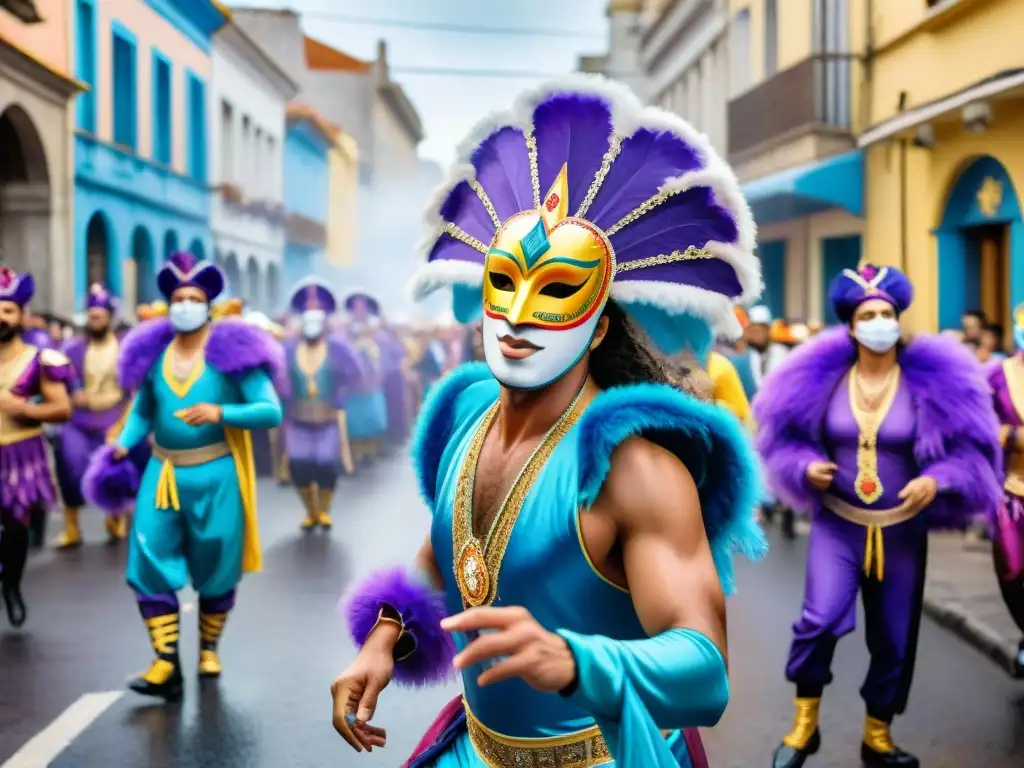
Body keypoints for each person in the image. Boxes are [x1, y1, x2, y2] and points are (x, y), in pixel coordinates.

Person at [330, 75, 765, 767]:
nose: (521, 312)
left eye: (559, 288)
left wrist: (576, 660)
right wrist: (384, 638)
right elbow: (446, 560)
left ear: (599, 327)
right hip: (471, 750)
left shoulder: (634, 467)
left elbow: (705, 673)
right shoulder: (463, 414)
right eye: (505, 281)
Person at [755, 264, 1002, 768]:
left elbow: (971, 453)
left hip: (902, 532)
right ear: (850, 325)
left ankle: (878, 735)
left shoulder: (934, 383)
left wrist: (938, 479)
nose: (879, 321)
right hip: (837, 524)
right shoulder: (818, 381)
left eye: (887, 313)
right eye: (868, 314)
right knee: (818, 621)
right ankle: (804, 727)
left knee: (893, 637)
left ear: (899, 318)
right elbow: (784, 441)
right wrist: (804, 467)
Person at [81, 251, 283, 700]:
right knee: (147, 559)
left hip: (217, 475)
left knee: (216, 566)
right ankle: (165, 662)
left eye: (194, 297)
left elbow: (270, 410)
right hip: (163, 473)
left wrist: (221, 411)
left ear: (209, 304)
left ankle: (209, 648)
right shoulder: (153, 354)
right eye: (178, 297)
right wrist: (123, 442)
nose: (185, 304)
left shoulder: (233, 353)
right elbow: (143, 410)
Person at [0, 266, 73, 627]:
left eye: (7, 310)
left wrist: (26, 408)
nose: (0, 317)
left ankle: (11, 586)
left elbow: (62, 408)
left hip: (18, 452)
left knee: (15, 527)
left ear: (22, 315)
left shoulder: (38, 360)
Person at [53, 284, 138, 547]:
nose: (95, 319)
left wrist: (124, 422)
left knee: (119, 463)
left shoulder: (125, 346)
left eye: (100, 315)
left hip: (114, 415)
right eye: (91, 315)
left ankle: (116, 514)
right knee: (69, 462)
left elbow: (134, 387)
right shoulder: (72, 349)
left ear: (109, 318)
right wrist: (71, 390)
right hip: (79, 420)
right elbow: (62, 379)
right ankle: (72, 526)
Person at [279, 279, 363, 530]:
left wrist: (341, 394)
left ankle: (324, 510)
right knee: (299, 466)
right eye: (307, 314)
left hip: (327, 419)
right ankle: (310, 511)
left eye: (317, 314)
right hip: (298, 419)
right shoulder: (289, 348)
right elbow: (278, 376)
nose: (312, 320)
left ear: (326, 319)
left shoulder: (338, 348)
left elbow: (356, 374)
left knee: (326, 465)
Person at [987, 303, 1024, 675]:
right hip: (1013, 491)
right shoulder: (998, 375)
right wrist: (1013, 436)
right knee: (1012, 569)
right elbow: (980, 426)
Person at [344, 293, 390, 464]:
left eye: (362, 305)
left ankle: (371, 450)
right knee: (355, 422)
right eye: (356, 305)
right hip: (355, 387)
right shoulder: (347, 326)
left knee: (373, 418)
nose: (359, 308)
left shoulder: (374, 328)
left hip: (372, 384)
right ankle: (356, 453)